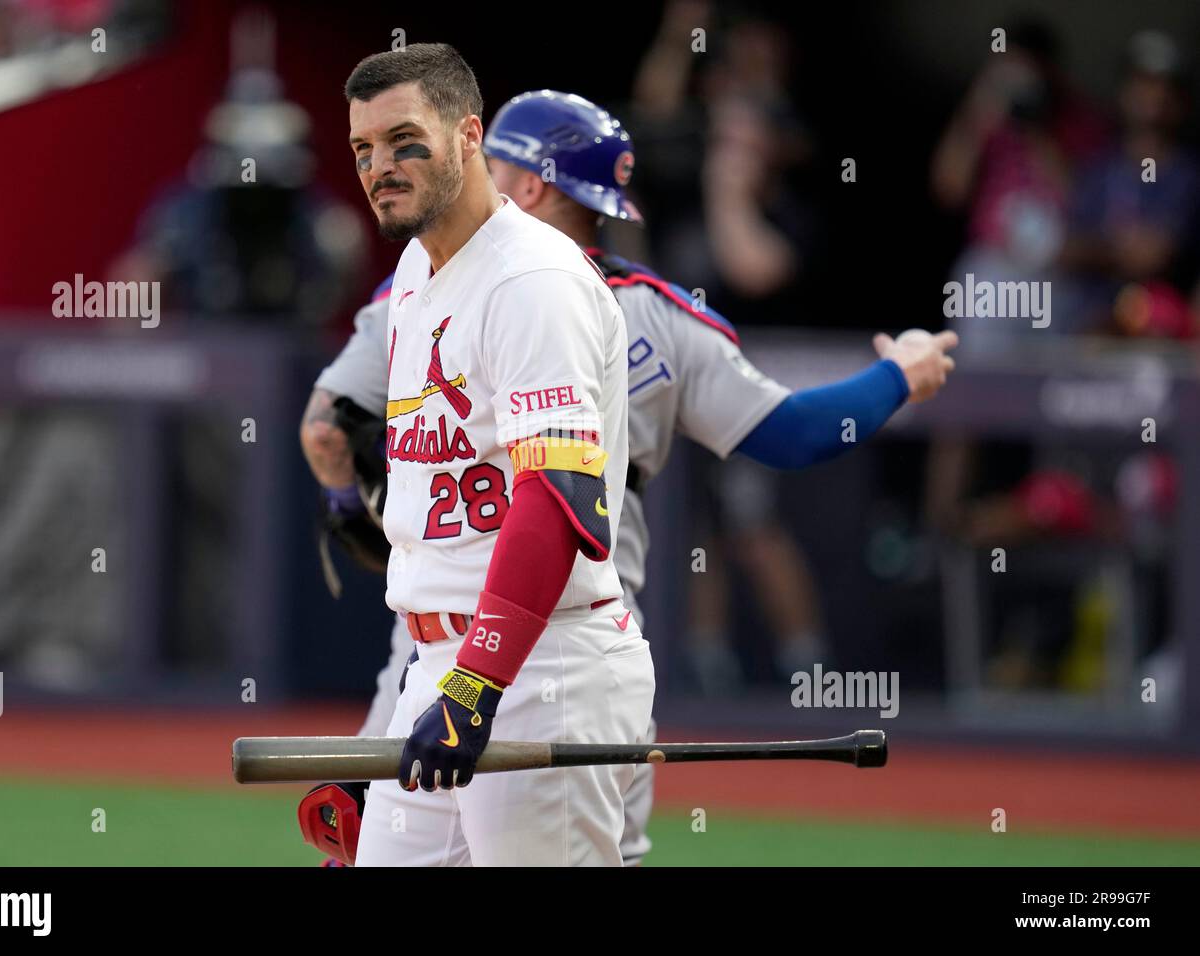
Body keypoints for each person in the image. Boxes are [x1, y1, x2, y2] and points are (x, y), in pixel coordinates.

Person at [301, 87, 958, 866]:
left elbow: (325, 428)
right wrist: (899, 377)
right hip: (572, 638)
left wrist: (351, 501)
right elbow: (795, 434)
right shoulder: (658, 314)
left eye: (494, 157)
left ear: (532, 182)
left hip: (460, 636)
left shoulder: (428, 282)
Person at [328, 45, 649, 867]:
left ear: (470, 136)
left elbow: (555, 499)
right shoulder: (411, 270)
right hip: (438, 662)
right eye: (363, 149)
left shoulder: (533, 278)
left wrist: (479, 682)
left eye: (405, 140)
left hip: (541, 669)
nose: (380, 166)